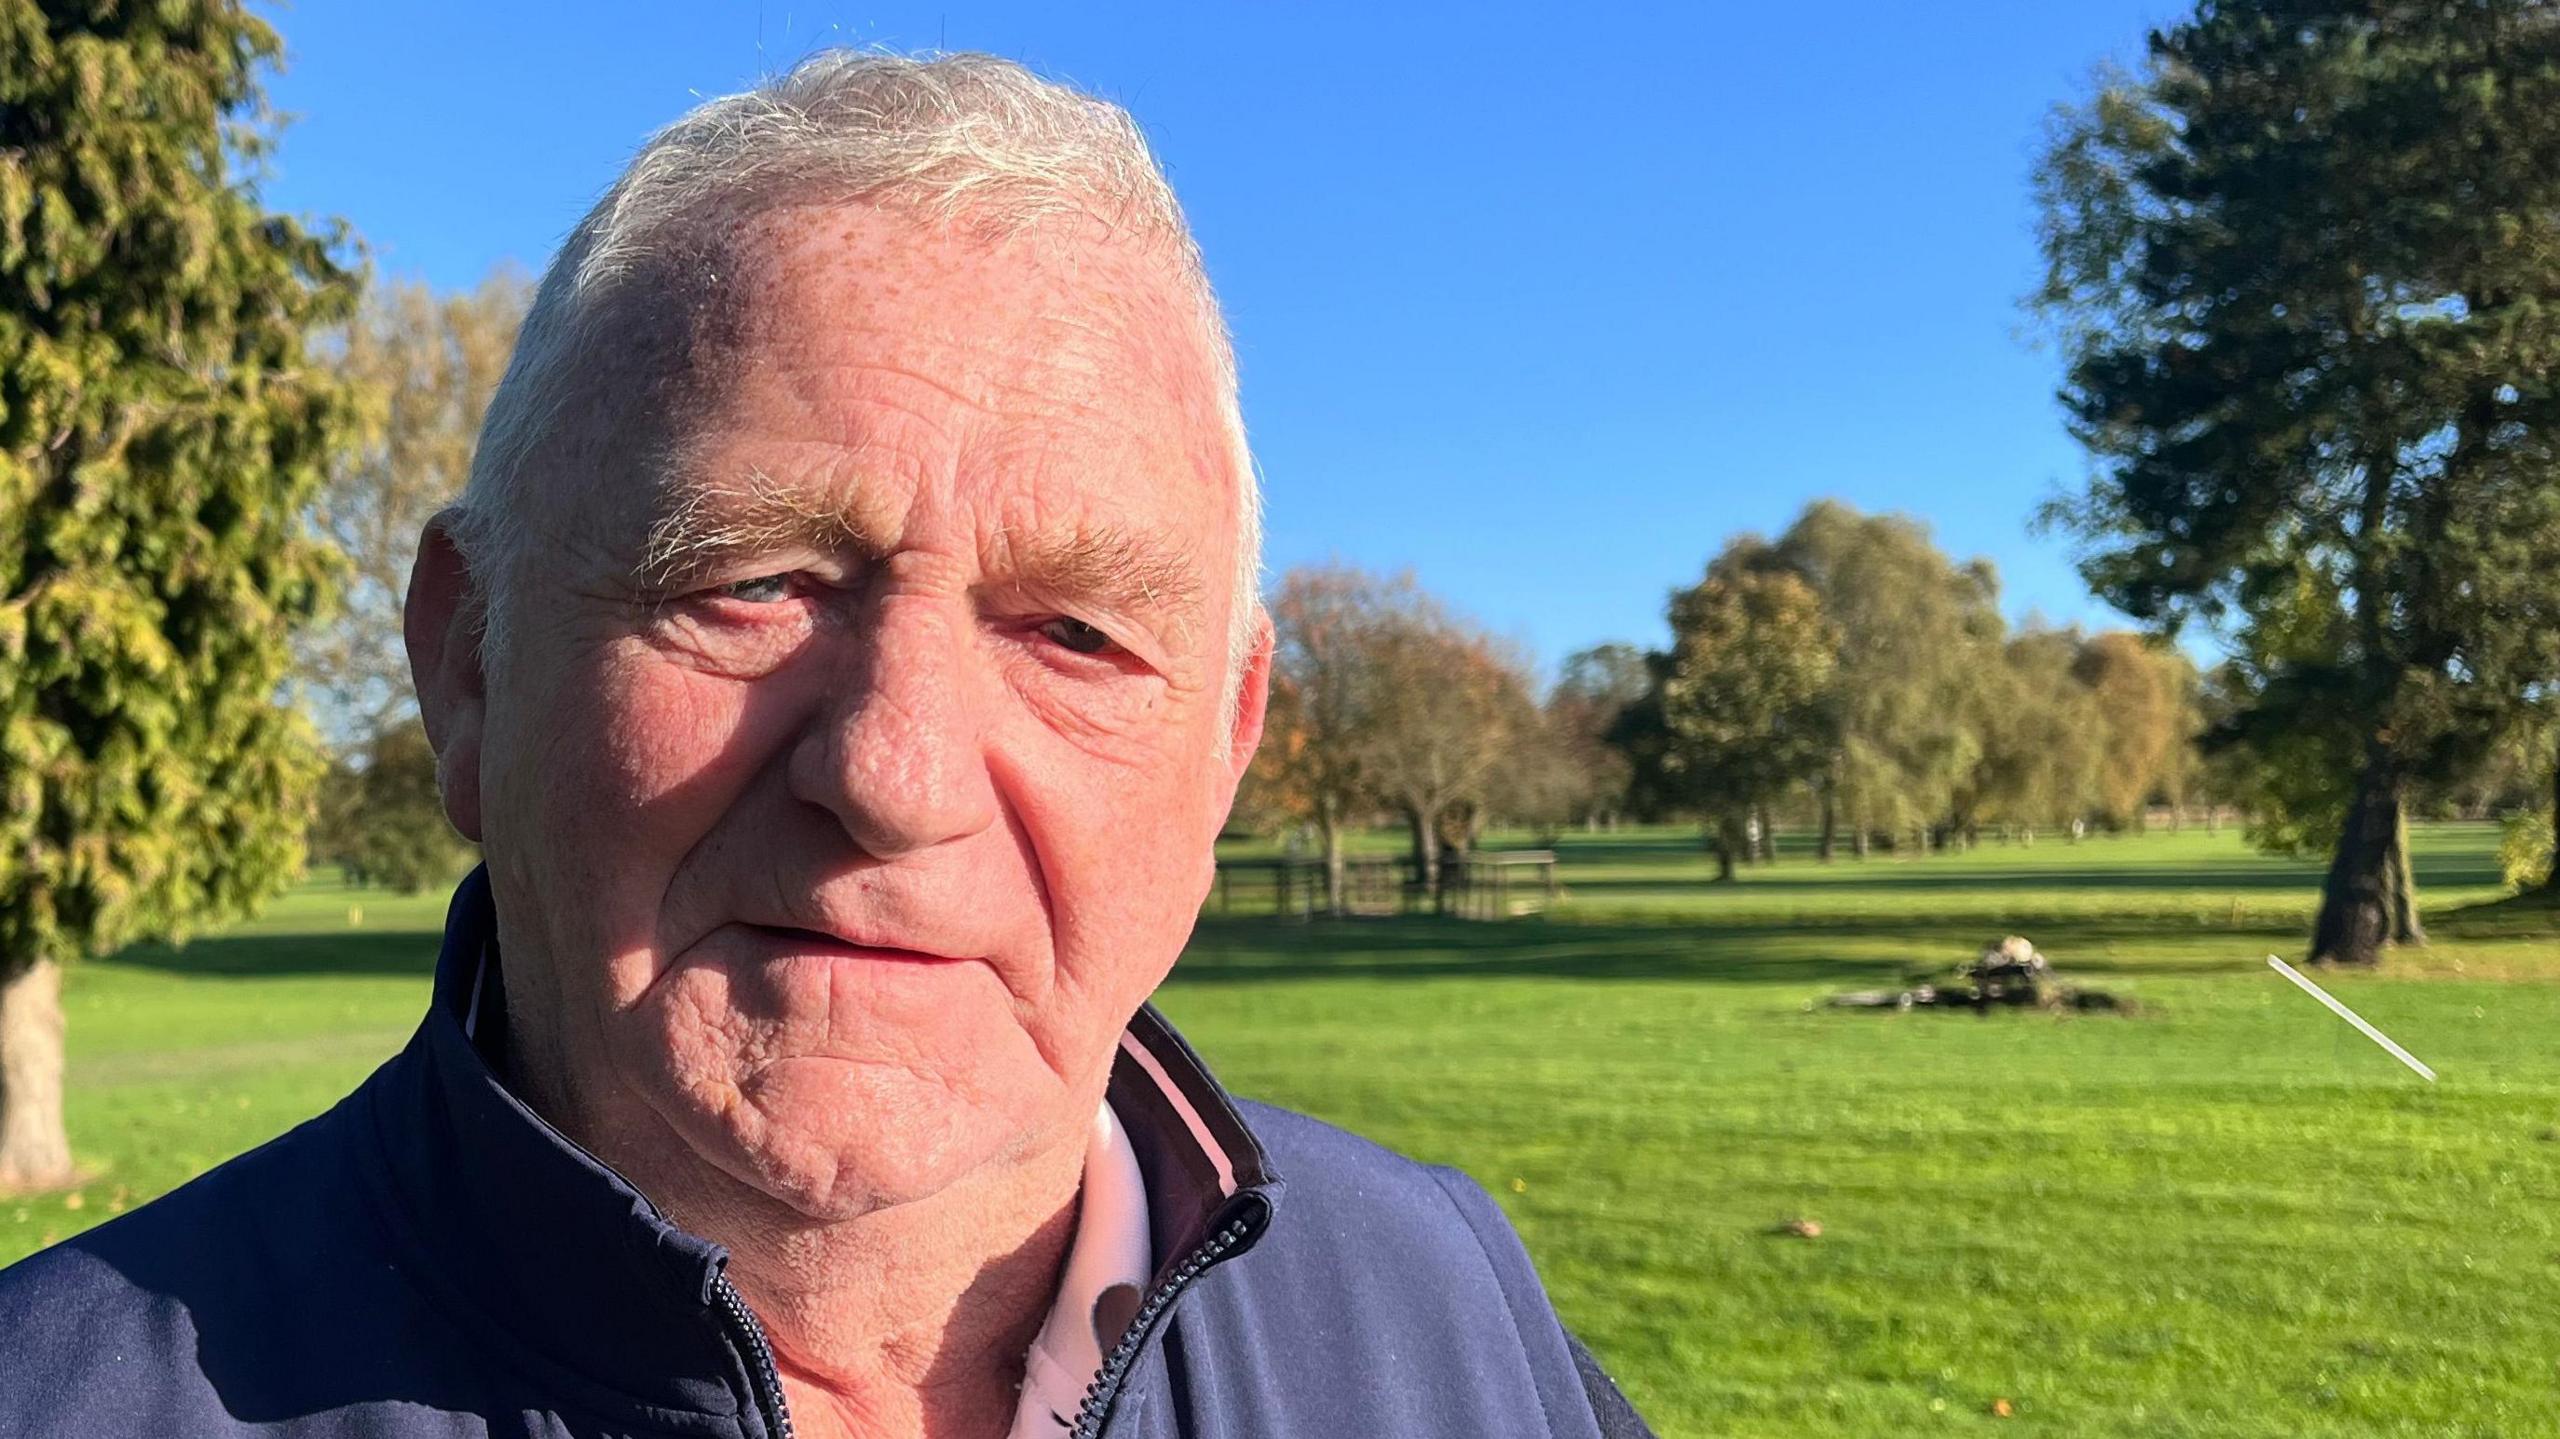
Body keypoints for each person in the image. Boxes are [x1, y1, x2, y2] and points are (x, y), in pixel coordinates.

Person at [0, 52, 1652, 1439]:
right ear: (467, 660)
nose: (897, 775)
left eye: (1077, 633)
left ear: (1224, 748)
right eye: (755, 581)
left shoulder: (1450, 1315)